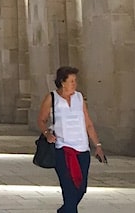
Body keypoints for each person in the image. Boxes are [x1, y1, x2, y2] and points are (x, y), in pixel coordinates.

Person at [36, 65, 105, 213]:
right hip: (63, 149)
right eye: (72, 81)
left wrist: (97, 145)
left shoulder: (79, 97)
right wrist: (47, 134)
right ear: (62, 82)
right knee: (68, 190)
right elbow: (41, 120)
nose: (75, 84)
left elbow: (88, 123)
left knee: (80, 189)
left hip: (82, 149)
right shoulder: (52, 98)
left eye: (75, 81)